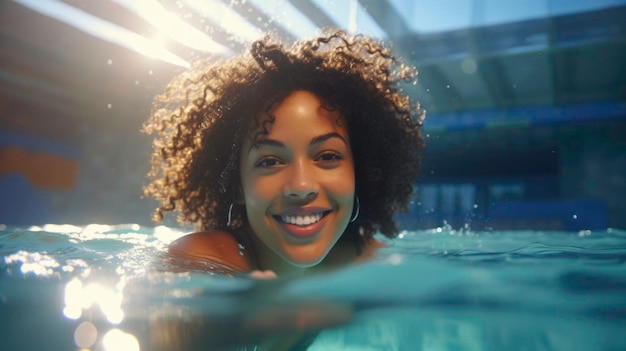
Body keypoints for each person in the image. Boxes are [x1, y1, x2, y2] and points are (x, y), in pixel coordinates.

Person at [143, 29, 425, 279]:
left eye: (327, 156)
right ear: (237, 186)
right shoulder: (199, 262)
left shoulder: (370, 262)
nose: (301, 187)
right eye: (270, 161)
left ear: (359, 171)